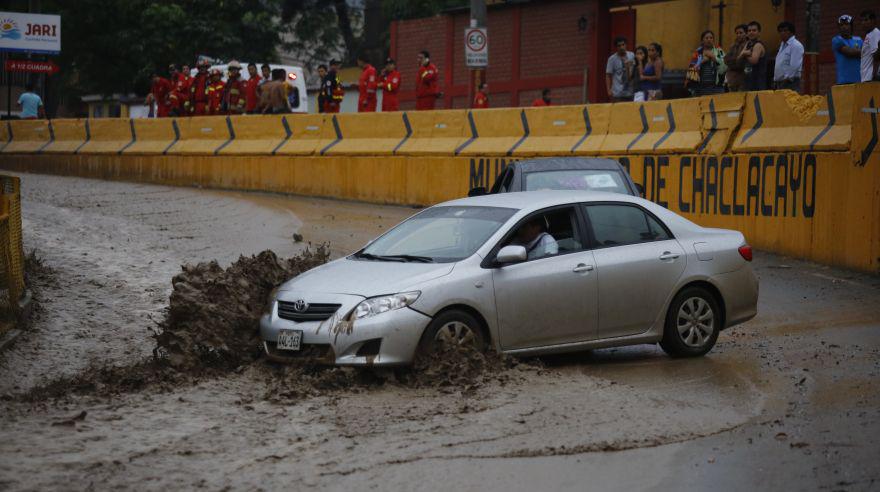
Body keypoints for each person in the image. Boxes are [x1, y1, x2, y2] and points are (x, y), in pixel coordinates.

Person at [688, 30, 727, 96]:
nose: (709, 40)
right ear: (702, 40)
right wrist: (702, 61)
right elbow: (691, 71)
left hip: (717, 88)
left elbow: (724, 67)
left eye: (711, 38)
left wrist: (714, 58)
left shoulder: (719, 51)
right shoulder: (697, 53)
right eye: (706, 38)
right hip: (700, 88)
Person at [773, 21, 804, 92]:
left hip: (790, 82)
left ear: (791, 32)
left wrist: (787, 79)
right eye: (780, 31)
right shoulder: (782, 45)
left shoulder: (796, 45)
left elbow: (794, 65)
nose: (782, 33)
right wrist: (775, 79)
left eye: (785, 30)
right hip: (779, 82)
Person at [832, 15, 862, 85]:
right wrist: (860, 52)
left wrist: (860, 52)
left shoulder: (859, 39)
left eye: (846, 24)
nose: (844, 27)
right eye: (841, 25)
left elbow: (864, 55)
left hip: (859, 80)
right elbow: (849, 52)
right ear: (839, 27)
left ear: (851, 26)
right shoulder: (836, 40)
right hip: (844, 82)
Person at [740, 21, 768, 91]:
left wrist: (744, 54)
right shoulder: (748, 44)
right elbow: (738, 58)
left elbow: (754, 61)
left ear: (759, 32)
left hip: (757, 83)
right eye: (749, 31)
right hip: (748, 81)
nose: (751, 32)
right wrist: (745, 53)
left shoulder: (758, 45)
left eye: (754, 30)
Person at [606, 36, 635, 102]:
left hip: (630, 92)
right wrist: (609, 90)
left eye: (623, 45)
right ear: (616, 47)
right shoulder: (612, 59)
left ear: (626, 45)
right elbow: (608, 75)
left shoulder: (631, 55)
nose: (621, 47)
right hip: (617, 93)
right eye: (619, 46)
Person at [724, 24, 749, 91]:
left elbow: (741, 63)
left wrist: (735, 61)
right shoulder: (733, 46)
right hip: (731, 79)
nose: (738, 35)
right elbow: (726, 59)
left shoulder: (748, 45)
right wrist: (736, 60)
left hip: (743, 79)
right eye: (737, 33)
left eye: (741, 33)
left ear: (746, 34)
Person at [861, 10, 880, 82]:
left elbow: (877, 57)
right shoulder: (869, 34)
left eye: (866, 20)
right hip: (866, 77)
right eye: (862, 20)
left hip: (870, 78)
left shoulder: (874, 33)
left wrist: (874, 75)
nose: (863, 23)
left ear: (873, 21)